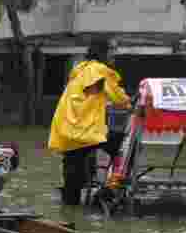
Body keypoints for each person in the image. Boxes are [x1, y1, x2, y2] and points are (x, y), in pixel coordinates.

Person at [48, 37, 132, 205]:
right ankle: (113, 183)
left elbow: (94, 93)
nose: (114, 54)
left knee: (72, 177)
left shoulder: (81, 70)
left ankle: (70, 210)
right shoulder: (98, 70)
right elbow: (118, 97)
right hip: (85, 130)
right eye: (112, 49)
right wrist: (131, 103)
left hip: (67, 129)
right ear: (103, 51)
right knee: (120, 144)